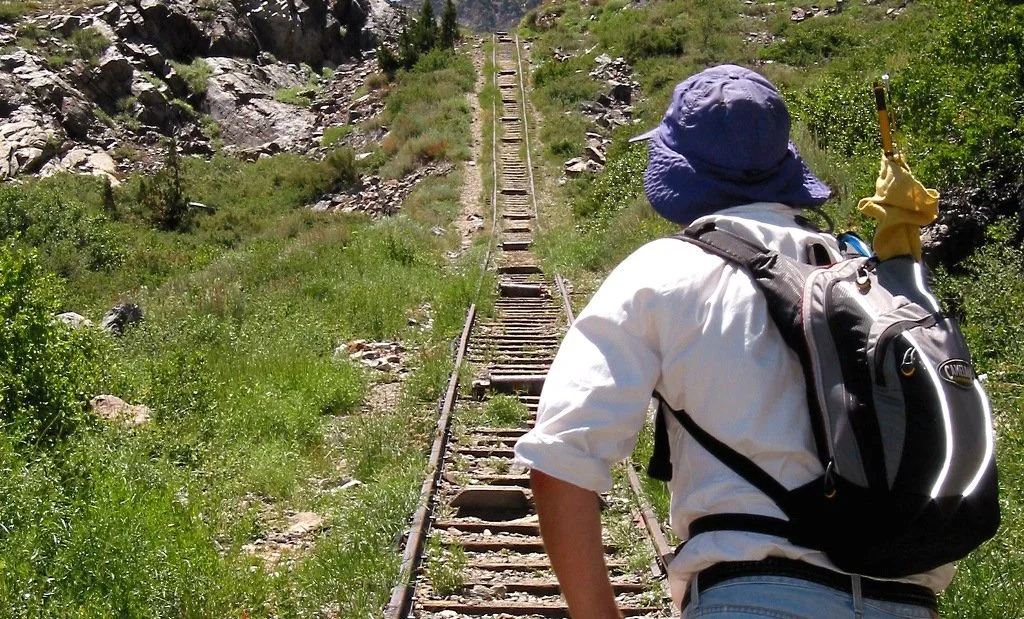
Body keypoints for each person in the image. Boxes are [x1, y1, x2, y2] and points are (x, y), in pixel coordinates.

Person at [513, 64, 948, 618]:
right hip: (909, 602)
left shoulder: (664, 271)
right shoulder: (862, 273)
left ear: (679, 171)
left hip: (753, 596)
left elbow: (561, 460)